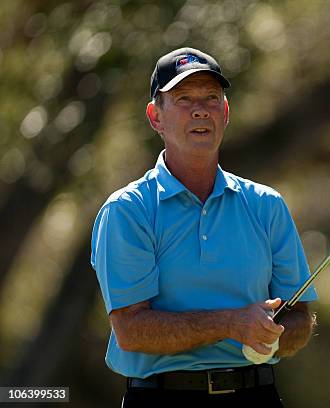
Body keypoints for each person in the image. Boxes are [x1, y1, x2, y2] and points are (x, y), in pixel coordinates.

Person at [90, 47, 317, 407]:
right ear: (155, 117)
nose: (200, 109)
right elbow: (131, 330)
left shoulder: (266, 205)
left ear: (225, 113)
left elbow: (300, 317)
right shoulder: (128, 211)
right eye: (183, 98)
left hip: (256, 394)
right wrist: (232, 324)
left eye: (211, 98)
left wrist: (273, 336)